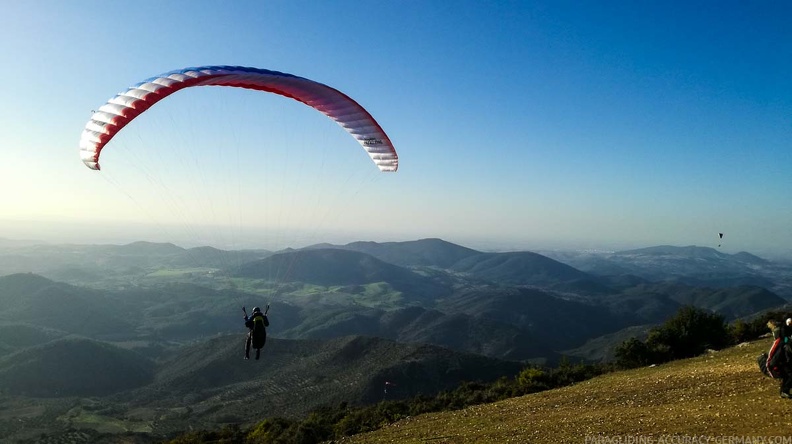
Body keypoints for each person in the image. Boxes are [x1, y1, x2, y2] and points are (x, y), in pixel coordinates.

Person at [765, 319, 792, 398]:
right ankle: (784, 391)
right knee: (789, 375)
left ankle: (784, 391)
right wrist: (771, 364)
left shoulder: (782, 341)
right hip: (782, 361)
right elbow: (776, 355)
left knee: (788, 375)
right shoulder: (783, 342)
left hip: (783, 360)